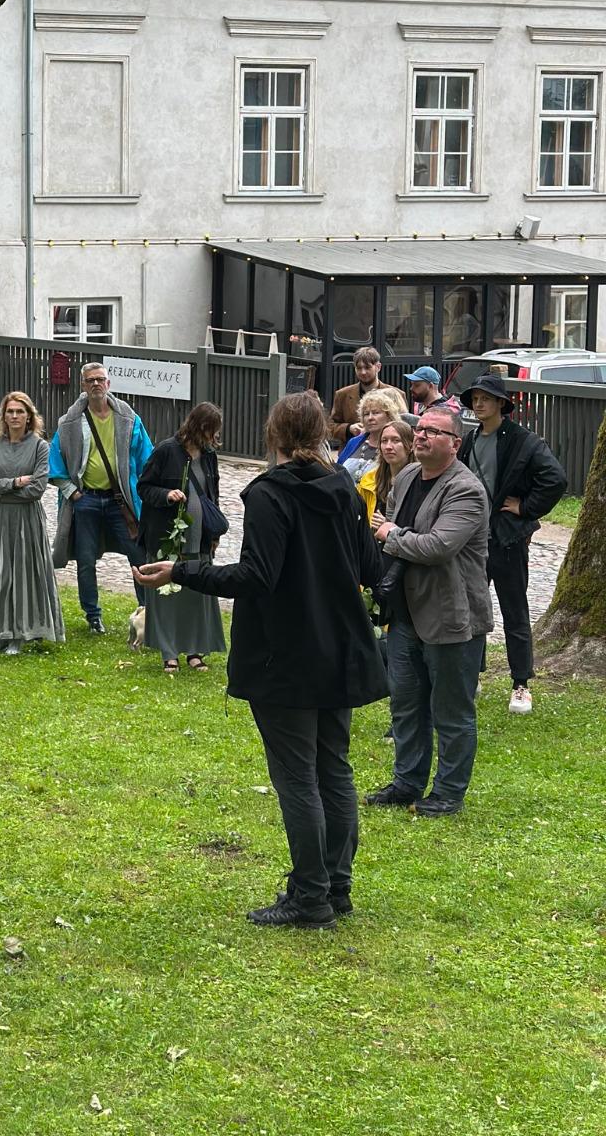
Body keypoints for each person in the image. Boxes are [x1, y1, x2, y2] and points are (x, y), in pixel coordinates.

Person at [135, 392, 387, 929]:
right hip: (337, 646)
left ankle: (314, 896)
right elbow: (371, 567)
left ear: (274, 434)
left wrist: (182, 570)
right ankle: (334, 886)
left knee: (301, 776)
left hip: (287, 654)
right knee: (332, 769)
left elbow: (257, 576)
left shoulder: (272, 494)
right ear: (318, 433)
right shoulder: (341, 487)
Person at [366, 406, 491, 816]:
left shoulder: (466, 490)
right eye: (419, 429)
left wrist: (391, 534)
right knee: (406, 706)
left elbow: (438, 546)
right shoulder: (405, 477)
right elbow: (395, 529)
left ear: (455, 444)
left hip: (450, 617)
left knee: (451, 713)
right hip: (405, 615)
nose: (420, 436)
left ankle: (448, 793)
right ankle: (407, 783)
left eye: (433, 432)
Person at [457, 372, 567, 716]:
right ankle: (471, 673)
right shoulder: (469, 439)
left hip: (506, 539)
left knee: (514, 611)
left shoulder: (524, 441)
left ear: (501, 404)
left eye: (485, 399)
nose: (479, 404)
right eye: (475, 399)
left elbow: (555, 479)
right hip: (471, 539)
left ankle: (521, 684)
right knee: (471, 609)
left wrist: (525, 507)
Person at [49, 361, 154, 635]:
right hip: (86, 501)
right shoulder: (70, 422)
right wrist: (73, 493)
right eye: (90, 380)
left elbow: (147, 458)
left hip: (121, 502)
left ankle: (147, 611)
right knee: (86, 560)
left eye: (100, 379)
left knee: (138, 555)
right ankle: (93, 616)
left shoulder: (129, 418)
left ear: (108, 384)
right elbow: (54, 463)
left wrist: (148, 490)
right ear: (82, 385)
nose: (96, 384)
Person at [136, 402, 227, 672]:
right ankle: (169, 652)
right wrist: (167, 495)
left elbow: (213, 493)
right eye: (210, 430)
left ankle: (195, 651)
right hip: (168, 536)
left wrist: (213, 532)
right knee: (168, 594)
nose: (213, 437)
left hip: (199, 537)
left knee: (196, 591)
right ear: (198, 427)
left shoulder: (209, 456)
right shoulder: (166, 450)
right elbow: (144, 487)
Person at [0, 392, 64, 653]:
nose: (14, 416)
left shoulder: (40, 447)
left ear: (29, 417)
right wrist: (14, 483)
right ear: (3, 416)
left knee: (23, 576)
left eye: (19, 412)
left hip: (26, 519)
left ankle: (20, 634)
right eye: (10, 411)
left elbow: (37, 489)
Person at [329, 347, 407, 446]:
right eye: (359, 368)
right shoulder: (342, 395)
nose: (363, 372)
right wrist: (348, 428)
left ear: (378, 367)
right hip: (351, 450)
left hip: (387, 449)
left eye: (367, 367)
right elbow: (330, 426)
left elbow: (405, 427)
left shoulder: (396, 394)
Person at [355, 415, 416, 524]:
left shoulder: (419, 480)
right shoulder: (369, 479)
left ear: (411, 446)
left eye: (396, 440)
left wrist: (389, 527)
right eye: (384, 441)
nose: (388, 447)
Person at [338, 388, 405, 483]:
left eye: (376, 413)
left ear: (389, 416)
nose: (370, 418)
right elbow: (337, 471)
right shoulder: (354, 442)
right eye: (366, 414)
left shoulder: (396, 445)